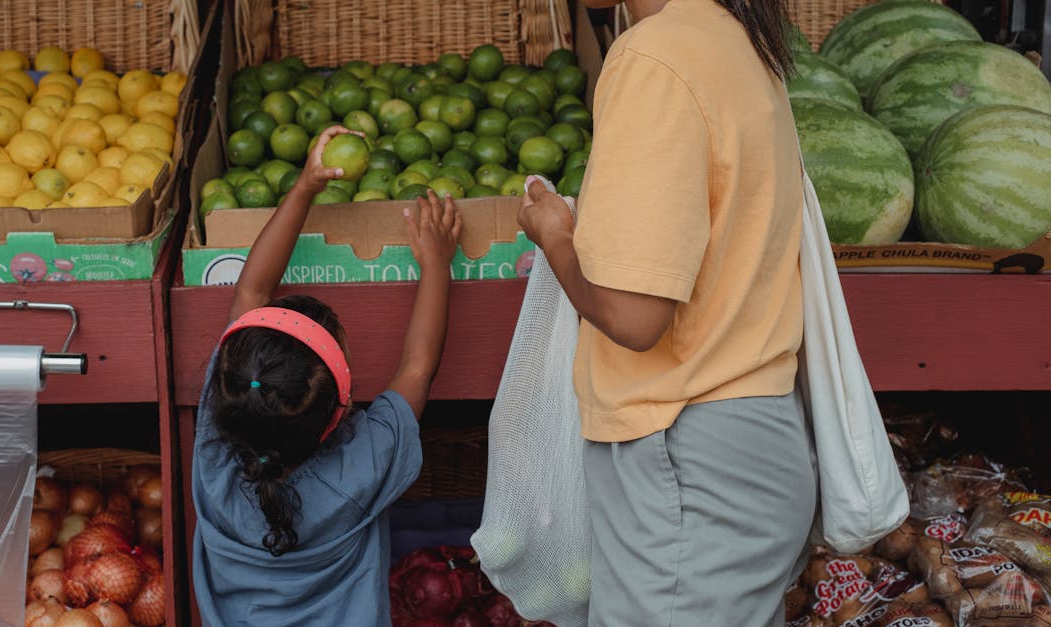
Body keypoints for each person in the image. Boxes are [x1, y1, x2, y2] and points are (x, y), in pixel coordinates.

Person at [516, 0, 818, 624]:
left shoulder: (655, 57)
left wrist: (556, 238)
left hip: (688, 448)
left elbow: (633, 317)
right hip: (750, 435)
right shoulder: (741, 45)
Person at [191, 125, 463, 625]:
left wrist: (303, 187)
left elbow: (250, 293)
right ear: (338, 416)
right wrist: (437, 263)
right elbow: (420, 364)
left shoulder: (216, 457)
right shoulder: (361, 465)